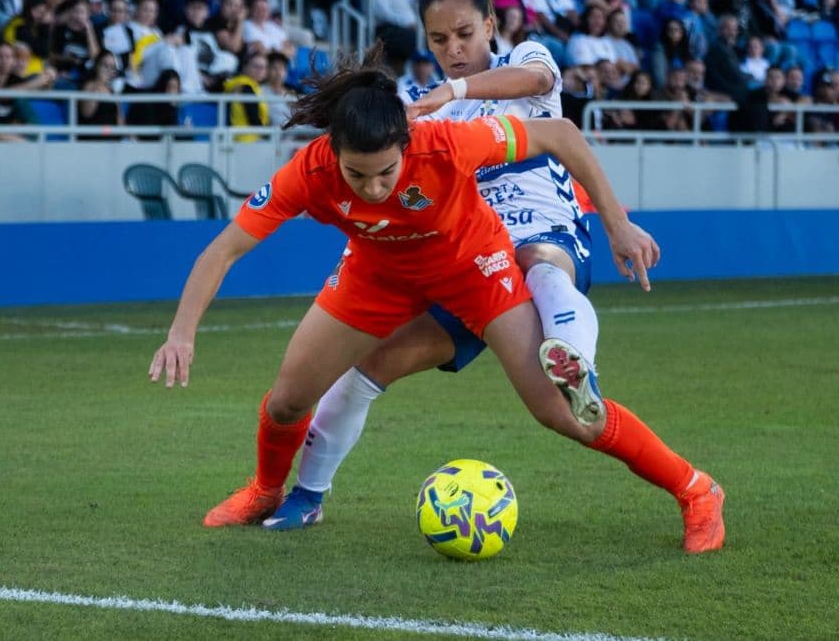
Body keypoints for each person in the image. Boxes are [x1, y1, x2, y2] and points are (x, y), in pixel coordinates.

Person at [149, 39, 725, 556]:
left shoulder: (447, 142)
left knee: (560, 408)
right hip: (376, 276)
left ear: (407, 143)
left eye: (386, 173)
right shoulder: (309, 170)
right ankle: (266, 491)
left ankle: (697, 490)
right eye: (358, 175)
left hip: (476, 269)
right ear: (333, 151)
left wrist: (618, 223)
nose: (374, 187)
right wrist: (181, 333)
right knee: (287, 401)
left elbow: (561, 135)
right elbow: (220, 251)